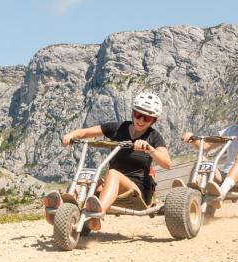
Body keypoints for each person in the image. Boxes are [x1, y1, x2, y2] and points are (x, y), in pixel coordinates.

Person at [60, 91, 172, 230]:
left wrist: (150, 149)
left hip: (136, 191)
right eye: (138, 115)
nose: (141, 120)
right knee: (85, 182)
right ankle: (66, 212)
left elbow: (167, 164)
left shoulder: (154, 137)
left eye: (147, 118)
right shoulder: (118, 128)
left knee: (113, 173)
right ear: (133, 113)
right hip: (111, 186)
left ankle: (97, 214)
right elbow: (87, 132)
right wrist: (71, 135)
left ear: (153, 121)